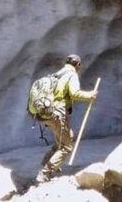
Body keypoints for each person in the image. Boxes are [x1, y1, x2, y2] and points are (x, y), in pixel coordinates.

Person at [36, 54, 97, 182]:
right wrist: (90, 95)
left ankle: (47, 161)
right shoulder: (71, 75)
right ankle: (45, 173)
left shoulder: (56, 75)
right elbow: (75, 93)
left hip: (46, 113)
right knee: (66, 146)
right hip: (58, 113)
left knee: (67, 136)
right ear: (78, 65)